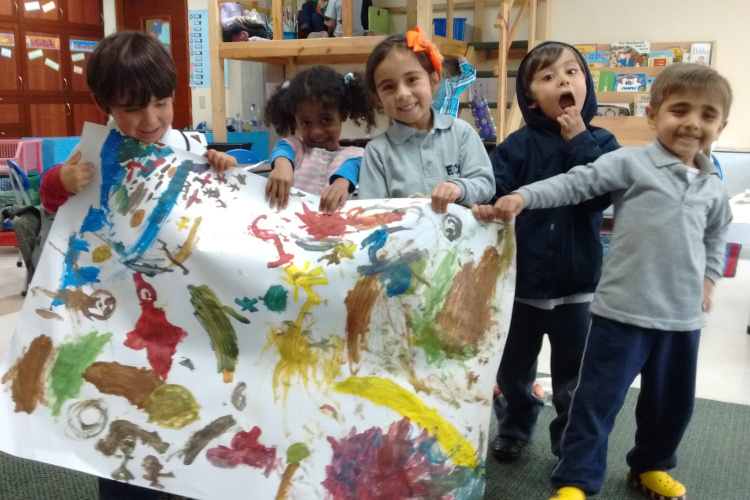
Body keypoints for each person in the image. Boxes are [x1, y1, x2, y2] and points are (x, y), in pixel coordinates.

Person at [483, 63, 733, 500]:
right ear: (653, 115)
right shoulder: (630, 163)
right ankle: (576, 481)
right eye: (679, 110)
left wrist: (709, 279)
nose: (693, 123)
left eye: (707, 115)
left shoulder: (712, 186)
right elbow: (575, 183)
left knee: (670, 406)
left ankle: (650, 466)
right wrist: (524, 196)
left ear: (721, 126)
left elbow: (716, 236)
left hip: (681, 321)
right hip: (621, 315)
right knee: (595, 403)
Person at [473, 41, 619, 464]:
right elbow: (494, 190)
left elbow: (600, 196)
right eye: (549, 77)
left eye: (572, 72)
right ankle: (515, 426)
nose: (563, 81)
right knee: (513, 370)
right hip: (522, 283)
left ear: (586, 84)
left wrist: (579, 141)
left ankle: (570, 439)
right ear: (531, 97)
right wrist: (486, 205)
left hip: (578, 284)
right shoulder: (517, 146)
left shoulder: (602, 142)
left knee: (574, 374)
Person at [40, 31, 236, 219]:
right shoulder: (93, 152)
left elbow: (222, 204)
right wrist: (60, 182)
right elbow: (51, 206)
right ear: (103, 105)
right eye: (133, 109)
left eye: (161, 104)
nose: (150, 120)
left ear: (172, 95)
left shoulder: (190, 149)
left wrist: (226, 168)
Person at [358, 27, 494, 213]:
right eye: (388, 87)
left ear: (433, 80)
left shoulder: (461, 133)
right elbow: (372, 211)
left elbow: (485, 184)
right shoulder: (377, 152)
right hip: (404, 232)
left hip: (461, 231)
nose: (402, 94)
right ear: (377, 98)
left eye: (412, 79)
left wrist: (459, 188)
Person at [263, 66, 376, 213]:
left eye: (326, 120)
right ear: (295, 120)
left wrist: (342, 182)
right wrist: (282, 166)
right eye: (305, 123)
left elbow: (354, 166)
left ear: (342, 114)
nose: (316, 131)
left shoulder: (352, 155)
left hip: (330, 225)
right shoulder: (296, 148)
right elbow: (282, 148)